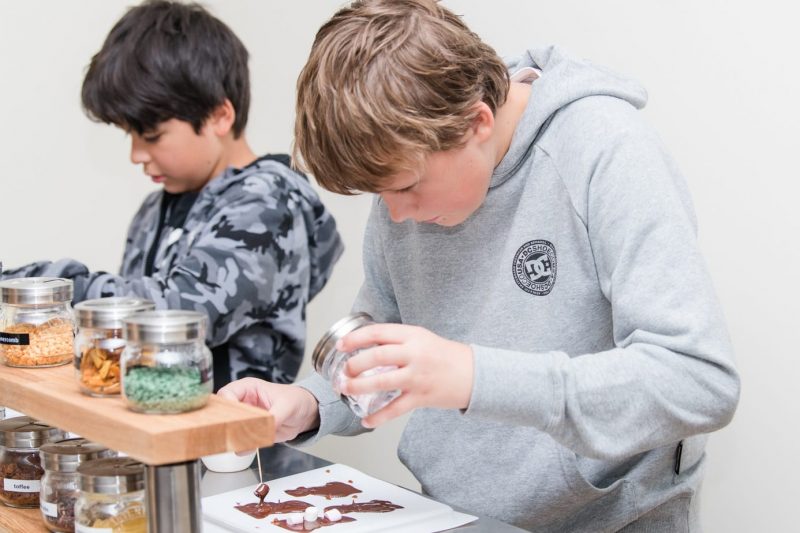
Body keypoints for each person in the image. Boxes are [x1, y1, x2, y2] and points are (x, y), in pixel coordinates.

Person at [219, 0, 740, 530]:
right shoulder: (407, 178)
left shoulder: (605, 148)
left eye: (405, 187)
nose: (396, 213)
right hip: (452, 518)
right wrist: (307, 402)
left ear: (477, 121)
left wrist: (473, 376)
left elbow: (696, 382)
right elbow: (382, 356)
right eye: (380, 193)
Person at [1, 0, 343, 390]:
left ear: (219, 116)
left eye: (151, 137)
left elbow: (177, 313)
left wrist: (46, 293)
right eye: (129, 135)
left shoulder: (270, 203)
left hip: (235, 446)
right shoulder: (155, 210)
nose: (136, 155)